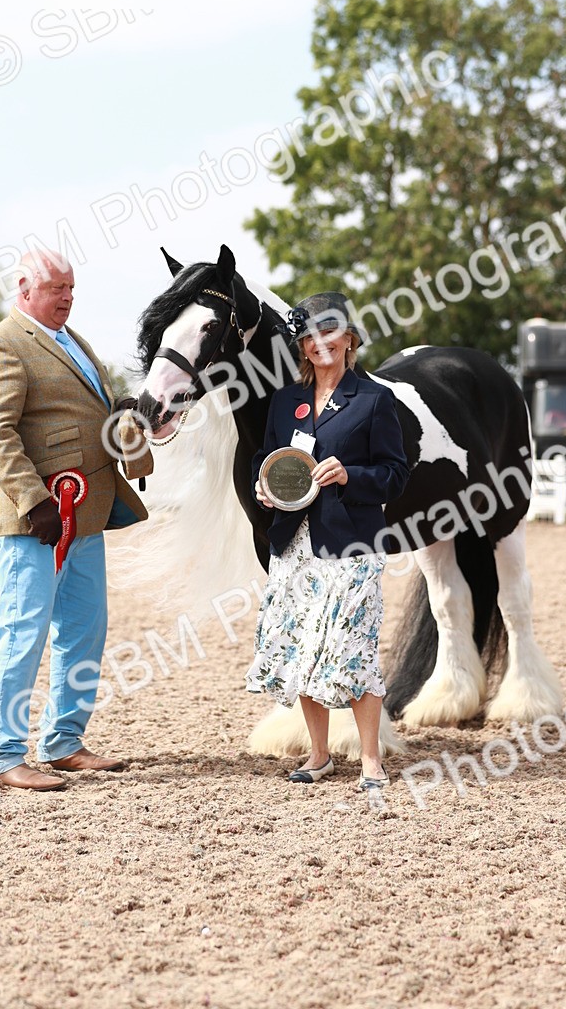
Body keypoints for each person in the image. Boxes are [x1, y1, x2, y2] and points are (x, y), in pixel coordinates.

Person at [0, 250, 153, 791]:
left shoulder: (74, 341)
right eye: (56, 288)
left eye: (71, 287)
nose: (68, 297)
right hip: (39, 520)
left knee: (83, 632)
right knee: (23, 632)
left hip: (87, 516)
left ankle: (64, 741)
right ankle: (3, 754)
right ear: (25, 288)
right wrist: (34, 501)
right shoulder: (2, 344)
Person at [245, 293, 408, 791]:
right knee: (301, 648)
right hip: (294, 545)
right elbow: (267, 461)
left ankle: (371, 759)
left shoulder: (375, 399)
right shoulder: (284, 402)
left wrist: (349, 474)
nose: (320, 343)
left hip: (351, 546)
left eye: (329, 332)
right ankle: (318, 755)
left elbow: (395, 475)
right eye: (309, 336)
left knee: (353, 647)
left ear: (350, 338)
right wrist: (264, 487)